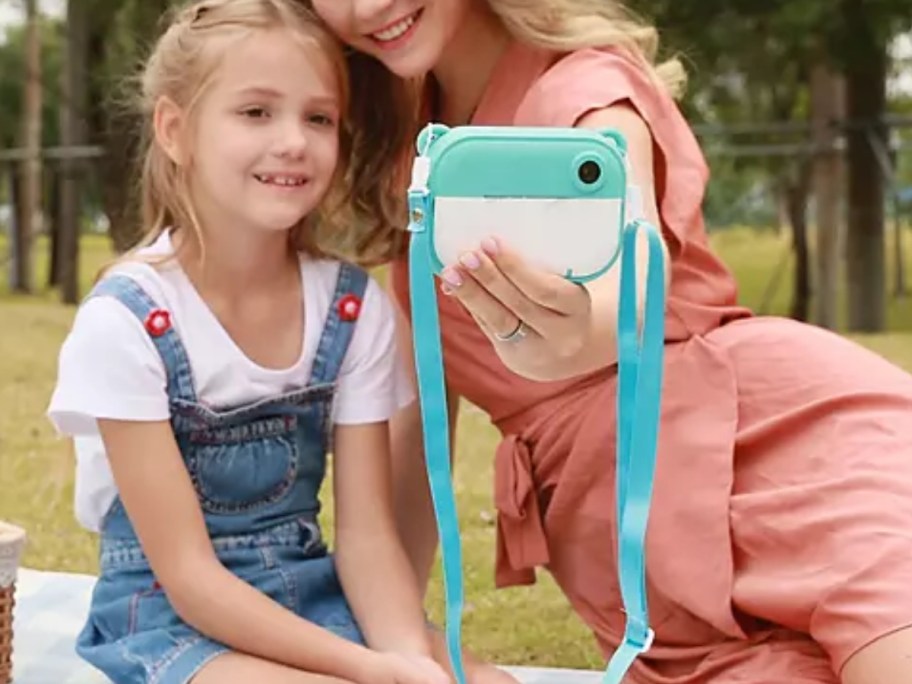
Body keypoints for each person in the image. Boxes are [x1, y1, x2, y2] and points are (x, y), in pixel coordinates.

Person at [309, 1, 912, 683]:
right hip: (644, 566)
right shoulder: (414, 154)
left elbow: (631, 278)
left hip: (776, 453)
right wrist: (390, 636)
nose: (367, 7)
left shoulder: (586, 90)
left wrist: (572, 331)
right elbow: (420, 449)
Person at [46, 1, 516, 682]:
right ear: (175, 131)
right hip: (171, 618)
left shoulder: (351, 310)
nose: (294, 141)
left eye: (318, 118)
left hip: (312, 594)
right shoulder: (126, 323)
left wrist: (405, 660)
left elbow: (366, 539)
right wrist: (364, 670)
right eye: (256, 112)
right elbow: (189, 576)